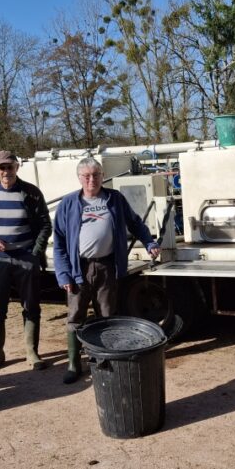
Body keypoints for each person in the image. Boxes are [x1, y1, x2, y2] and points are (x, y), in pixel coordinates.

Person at [53, 158, 160, 384]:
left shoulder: (115, 199)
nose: (92, 179)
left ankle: (104, 360)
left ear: (103, 176)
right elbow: (60, 242)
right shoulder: (69, 203)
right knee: (75, 317)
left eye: (96, 174)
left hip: (107, 266)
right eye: (87, 176)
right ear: (79, 178)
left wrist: (149, 242)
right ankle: (74, 364)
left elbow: (135, 222)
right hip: (78, 269)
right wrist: (63, 273)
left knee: (108, 315)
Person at [0, 150, 52, 372]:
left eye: (10, 166)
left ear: (17, 167)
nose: (6, 171)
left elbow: (45, 224)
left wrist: (35, 253)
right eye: (2, 167)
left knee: (31, 306)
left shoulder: (31, 193)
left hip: (26, 258)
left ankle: (31, 352)